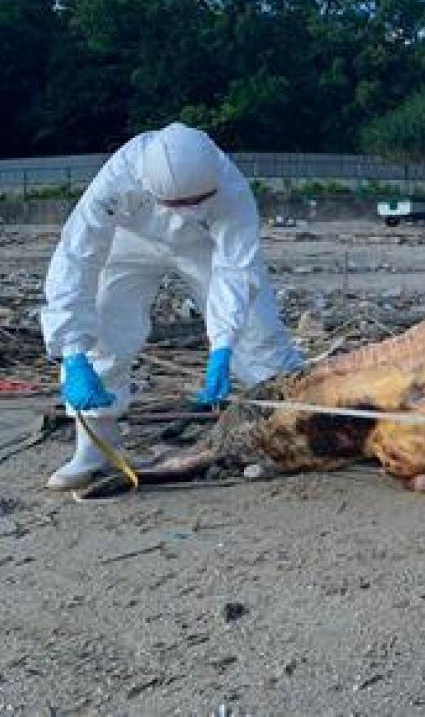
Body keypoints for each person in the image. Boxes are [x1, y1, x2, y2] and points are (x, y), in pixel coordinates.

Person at [40, 122, 302, 490]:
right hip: (129, 239)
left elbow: (236, 270)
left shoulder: (231, 187)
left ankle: (300, 426)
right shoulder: (116, 179)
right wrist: (71, 349)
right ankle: (94, 445)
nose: (188, 209)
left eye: (198, 201)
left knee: (259, 334)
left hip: (202, 244)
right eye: (178, 204)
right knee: (104, 322)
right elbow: (77, 256)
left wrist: (223, 346)